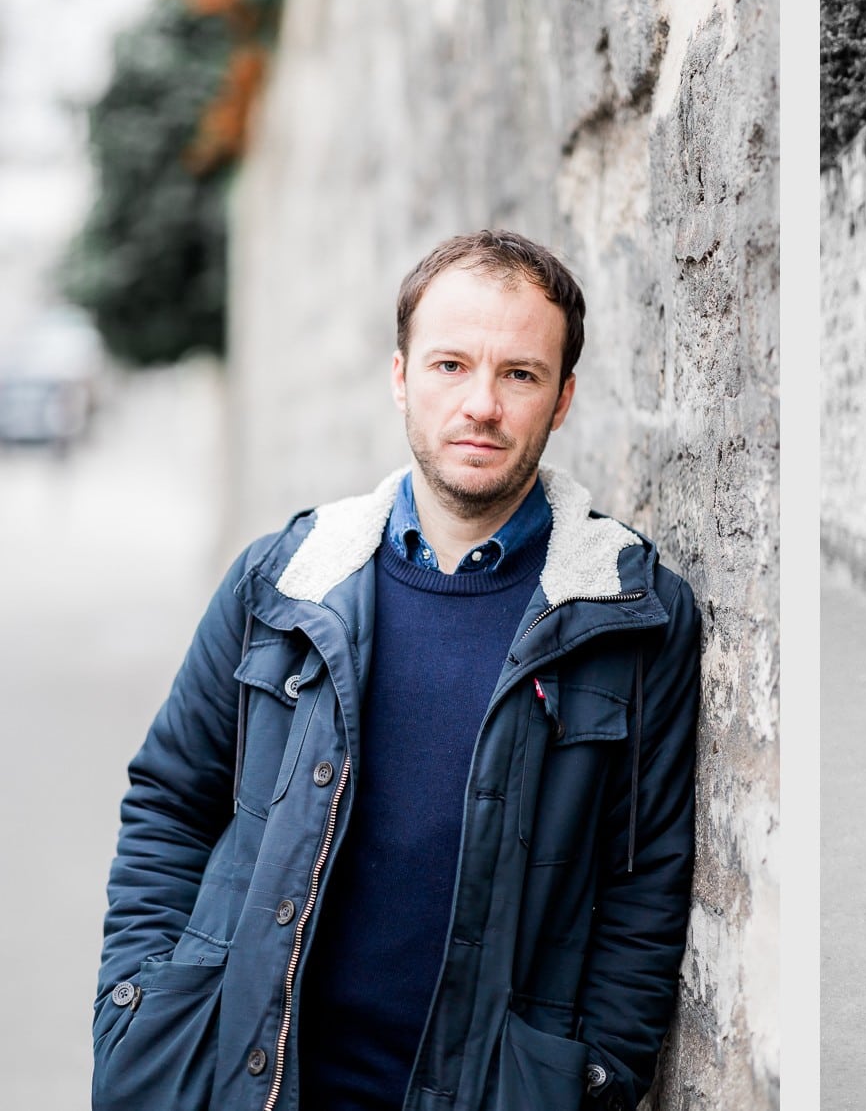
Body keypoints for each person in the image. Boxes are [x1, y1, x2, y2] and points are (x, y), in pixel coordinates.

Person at [92, 230, 701, 1111]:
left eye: (520, 374)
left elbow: (644, 885)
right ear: (401, 376)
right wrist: (141, 1003)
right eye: (451, 365)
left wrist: (588, 1082)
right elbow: (169, 801)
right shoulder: (283, 579)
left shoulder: (630, 612)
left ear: (563, 398)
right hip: (253, 1084)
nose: (482, 405)